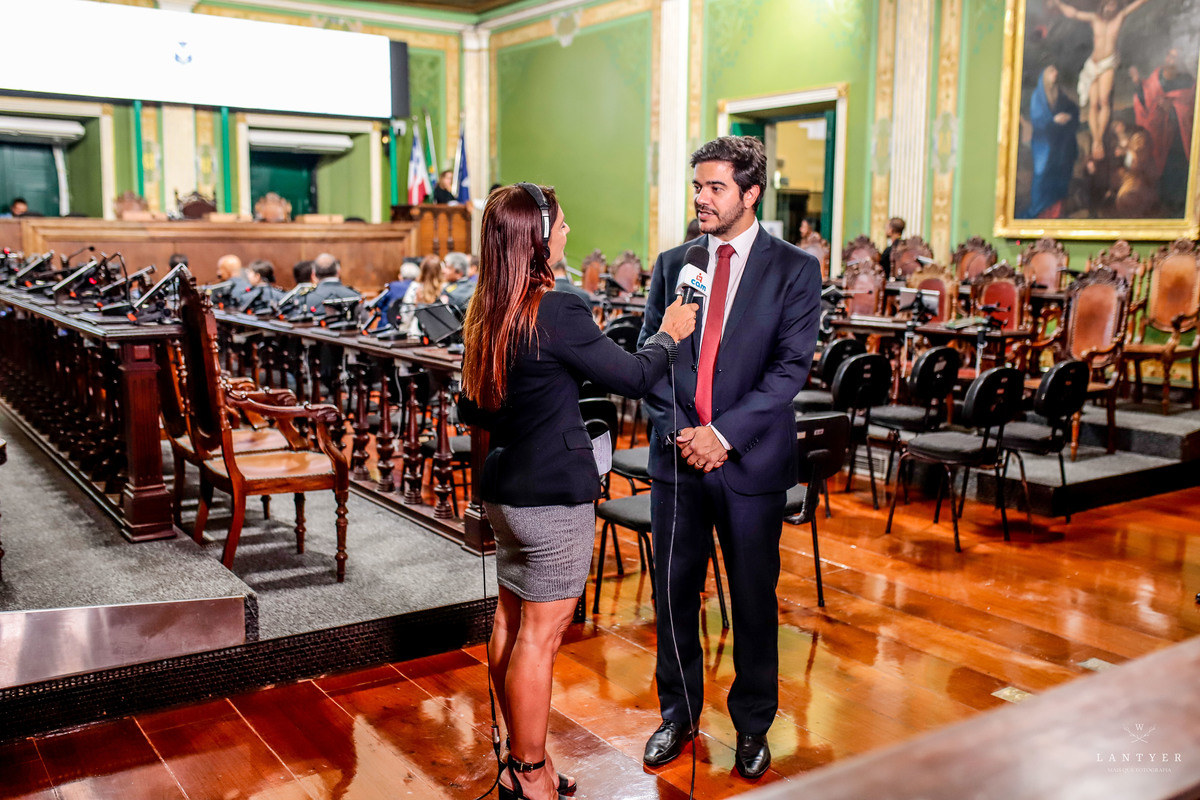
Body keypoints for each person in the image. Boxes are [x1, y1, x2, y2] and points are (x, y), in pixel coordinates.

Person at [457, 183, 696, 800]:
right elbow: (637, 377)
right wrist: (669, 331)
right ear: (538, 238)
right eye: (561, 223)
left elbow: (474, 408)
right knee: (542, 636)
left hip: (507, 493)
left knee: (512, 621)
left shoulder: (487, 306)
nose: (567, 231)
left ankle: (520, 759)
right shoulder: (555, 308)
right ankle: (531, 774)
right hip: (549, 499)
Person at [637, 135, 820, 780]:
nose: (701, 199)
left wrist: (723, 435)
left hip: (749, 465)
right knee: (674, 595)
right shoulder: (673, 264)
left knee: (751, 599)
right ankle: (678, 715)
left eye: (715, 187)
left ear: (751, 192)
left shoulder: (794, 269)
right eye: (697, 187)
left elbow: (789, 368)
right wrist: (682, 431)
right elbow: (650, 358)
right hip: (678, 463)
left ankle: (751, 725)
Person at [1049, 0, 1156, 162]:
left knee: (1104, 101)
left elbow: (1136, 5)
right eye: (1108, 5)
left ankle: (1098, 142)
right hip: (1093, 64)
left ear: (1117, 8)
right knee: (1093, 104)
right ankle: (1096, 140)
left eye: (1113, 5)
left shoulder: (1120, 17)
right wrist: (1058, 3)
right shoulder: (1095, 19)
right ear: (1103, 6)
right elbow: (1074, 13)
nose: (1110, 8)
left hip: (1108, 64)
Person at [1131, 48, 1195, 217]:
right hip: (1160, 135)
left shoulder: (1187, 81)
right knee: (1163, 170)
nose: (1172, 59)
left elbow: (1190, 107)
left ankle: (1182, 207)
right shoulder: (1156, 77)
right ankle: (1164, 205)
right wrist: (1138, 84)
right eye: (1171, 55)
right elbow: (1146, 99)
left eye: (1176, 56)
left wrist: (1172, 109)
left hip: (1180, 138)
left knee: (1181, 171)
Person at [1023, 64, 1080, 218]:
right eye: (1051, 71)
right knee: (1043, 177)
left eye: (1056, 70)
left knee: (1061, 177)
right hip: (1044, 145)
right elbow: (1038, 120)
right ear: (1044, 76)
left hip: (1061, 146)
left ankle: (1057, 213)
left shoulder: (1060, 95)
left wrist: (1069, 117)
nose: (1055, 73)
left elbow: (1073, 110)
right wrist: (1053, 120)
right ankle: (1040, 212)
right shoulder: (1038, 96)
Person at [402, 254, 447, 335]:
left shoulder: (415, 287)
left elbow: (406, 313)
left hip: (417, 332)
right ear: (440, 270)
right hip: (440, 333)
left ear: (422, 269)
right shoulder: (445, 288)